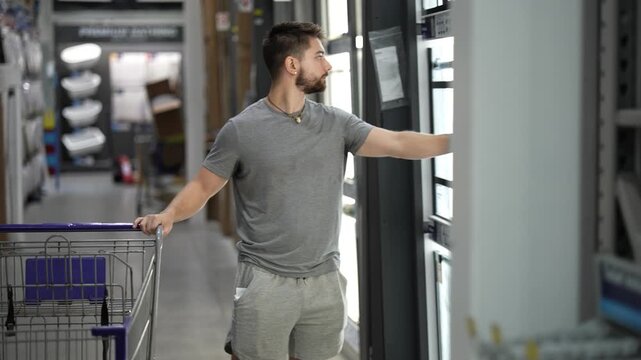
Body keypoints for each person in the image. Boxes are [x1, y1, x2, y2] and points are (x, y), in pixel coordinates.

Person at [134, 21, 451, 360]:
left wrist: (458, 139)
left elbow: (399, 142)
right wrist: (169, 214)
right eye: (320, 56)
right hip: (265, 281)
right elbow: (202, 186)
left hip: (324, 281)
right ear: (292, 64)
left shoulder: (336, 123)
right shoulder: (242, 130)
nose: (327, 65)